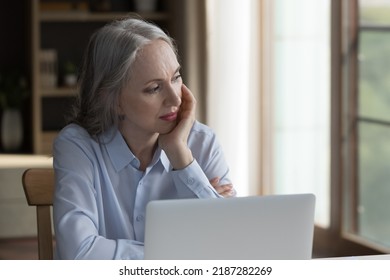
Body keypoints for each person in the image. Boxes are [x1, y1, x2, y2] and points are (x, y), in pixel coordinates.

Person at [52, 17, 235, 260]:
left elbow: (227, 248)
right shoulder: (77, 146)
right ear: (113, 100)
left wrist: (181, 156)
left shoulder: (202, 143)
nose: (175, 99)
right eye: (154, 88)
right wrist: (182, 252)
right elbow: (80, 253)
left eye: (176, 77)